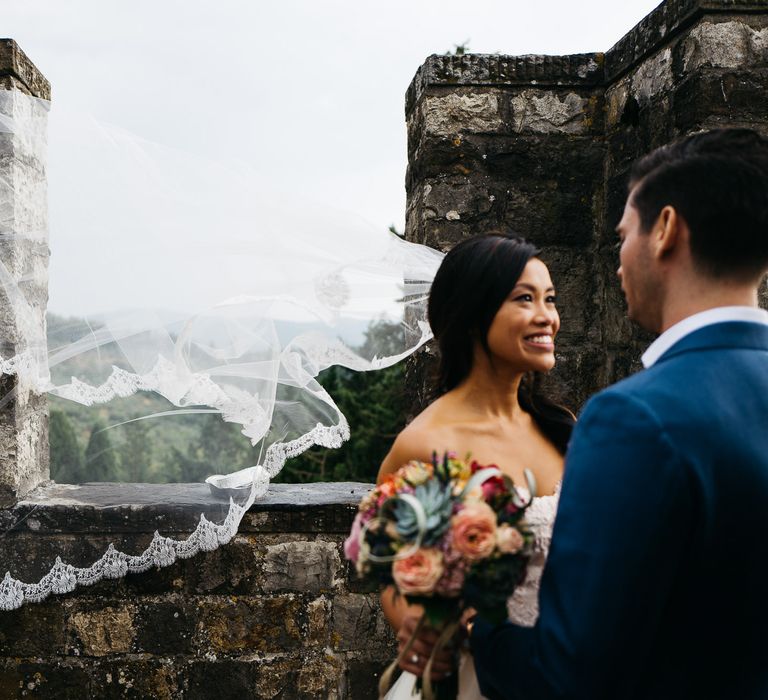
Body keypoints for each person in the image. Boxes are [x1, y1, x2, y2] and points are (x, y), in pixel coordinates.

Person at [470, 128, 768, 699]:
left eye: (622, 236)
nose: (616, 263)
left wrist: (481, 628)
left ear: (666, 230)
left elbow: (570, 675)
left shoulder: (633, 417)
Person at [376, 233, 575, 698]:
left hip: (569, 669)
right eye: (524, 299)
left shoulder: (562, 427)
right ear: (471, 315)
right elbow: (391, 572)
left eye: (550, 299)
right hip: (480, 679)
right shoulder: (426, 444)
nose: (547, 316)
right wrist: (416, 624)